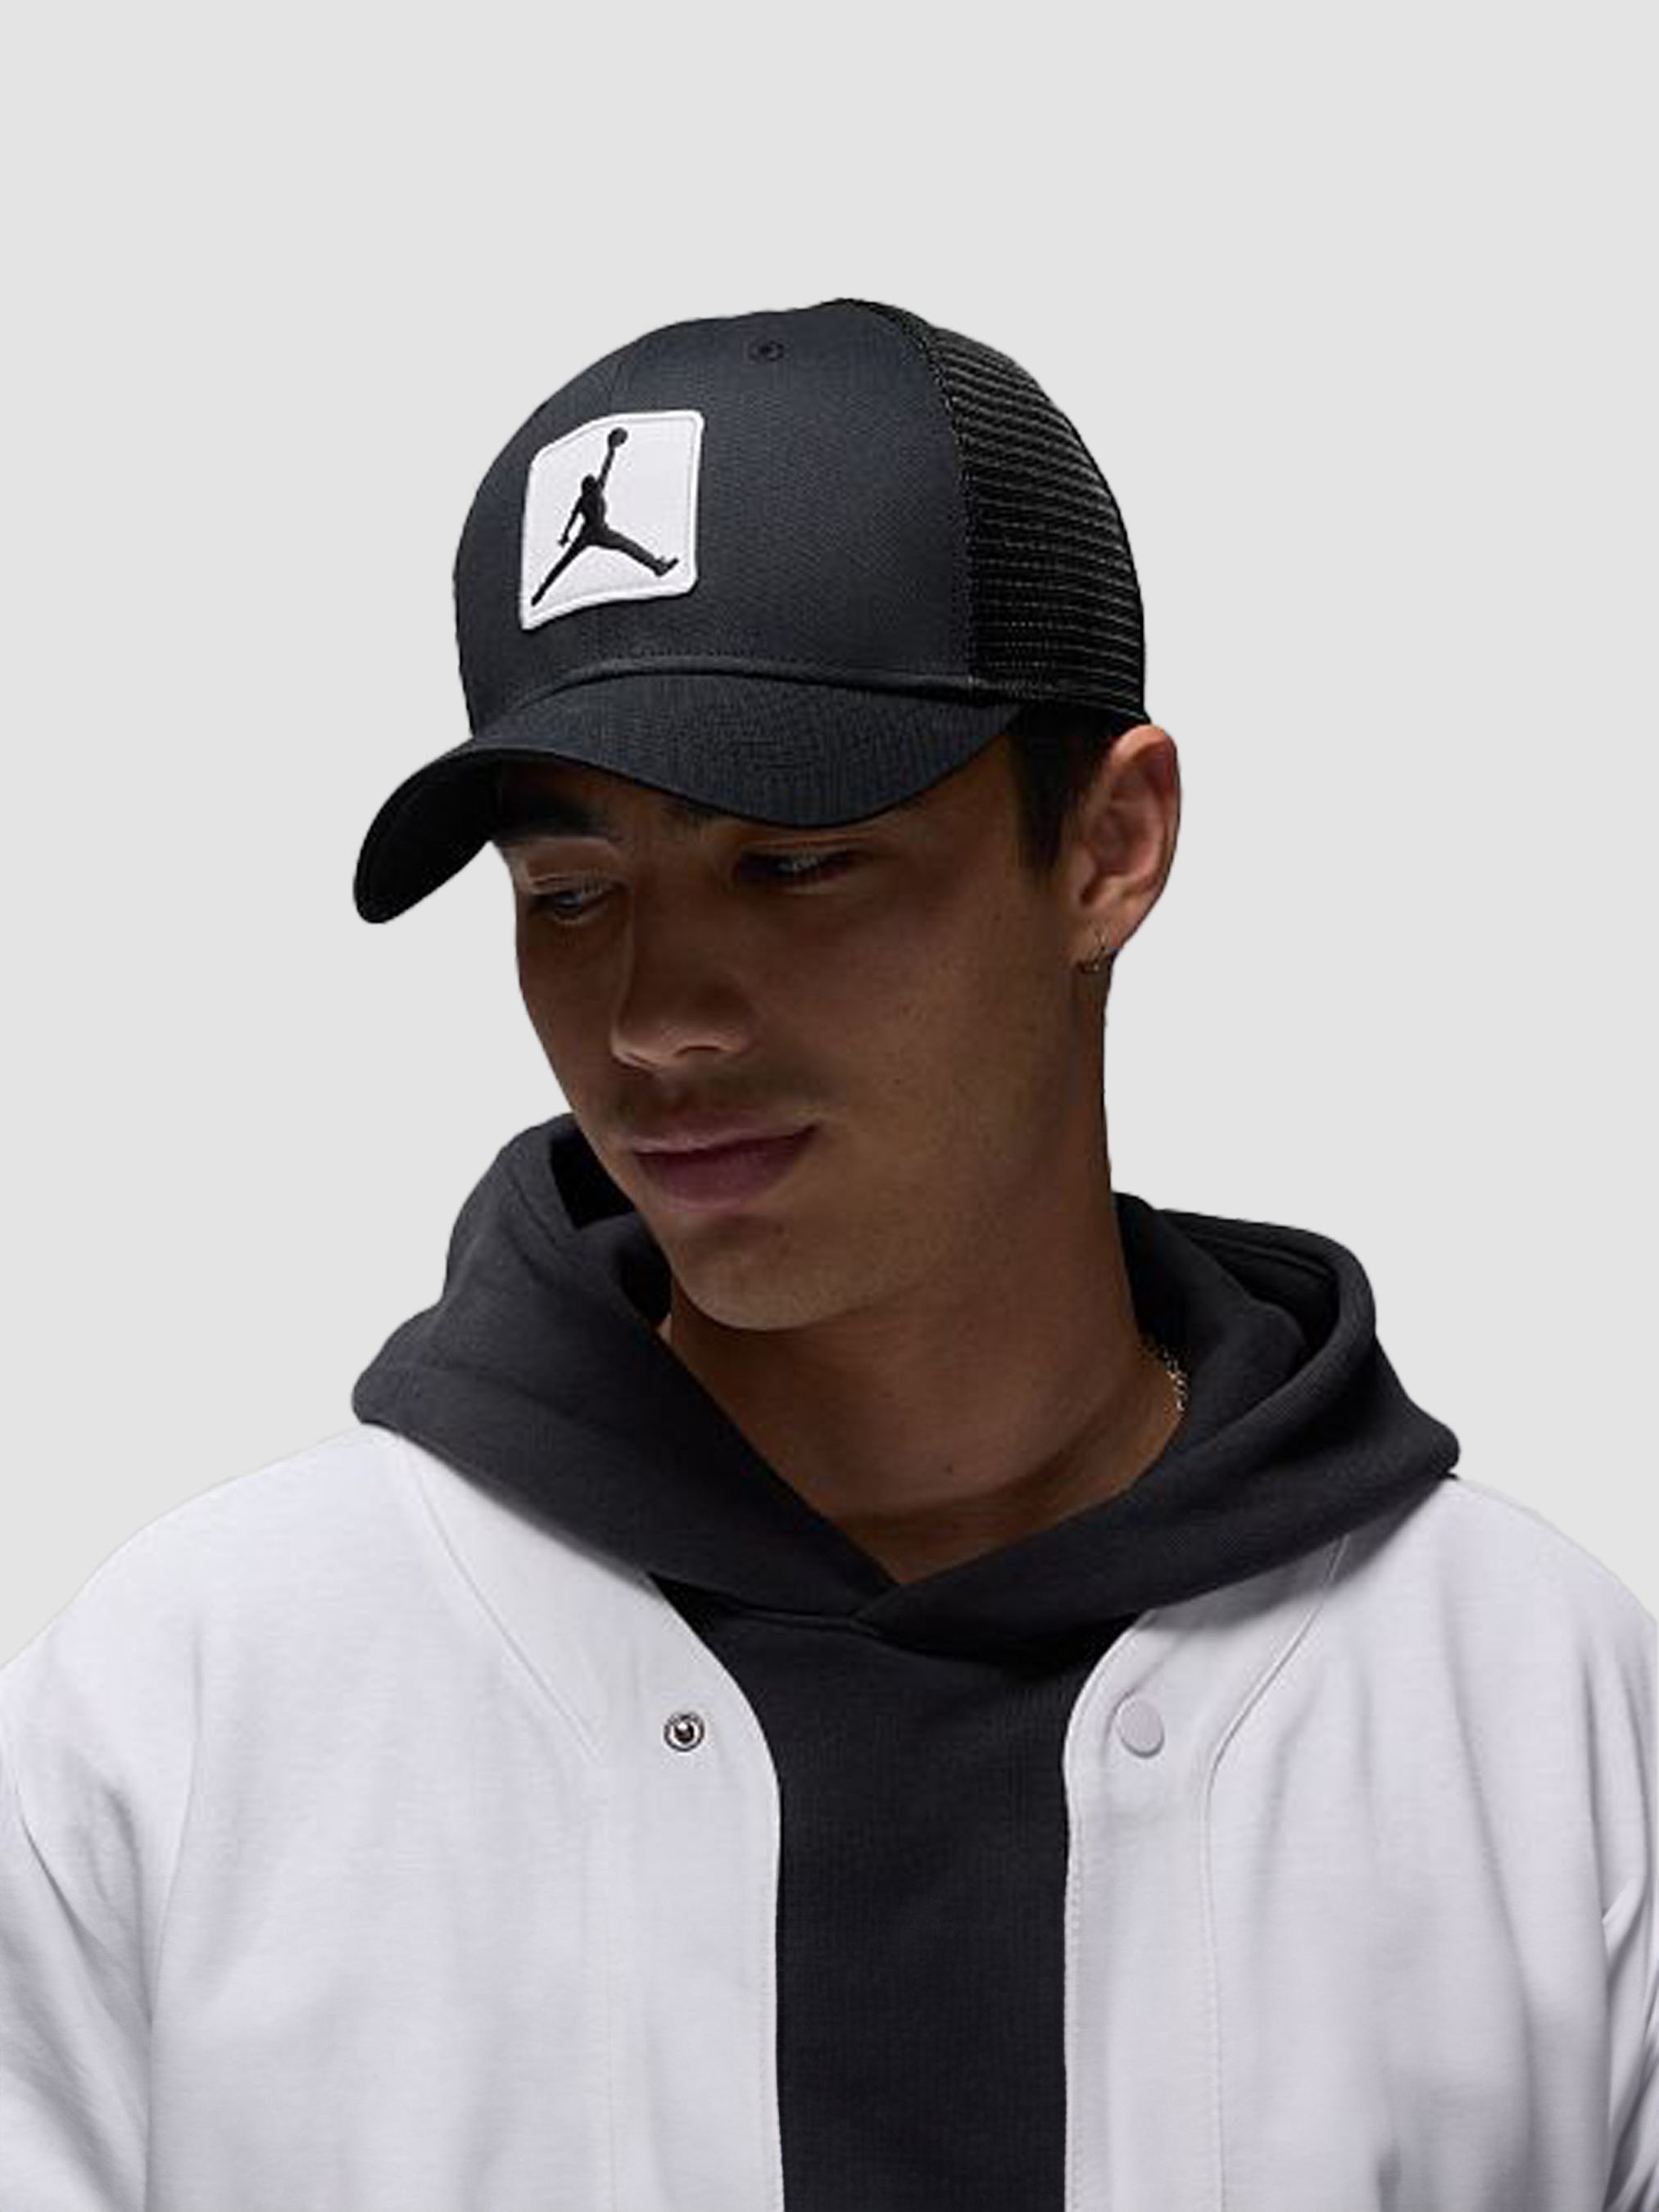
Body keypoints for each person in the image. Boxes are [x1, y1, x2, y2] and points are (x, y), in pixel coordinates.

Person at [2, 297, 1652, 2210]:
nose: (655, 1018)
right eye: (568, 892)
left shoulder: (1534, 1719)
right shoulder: (191, 1712)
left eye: (789, 864)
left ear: (1107, 845)